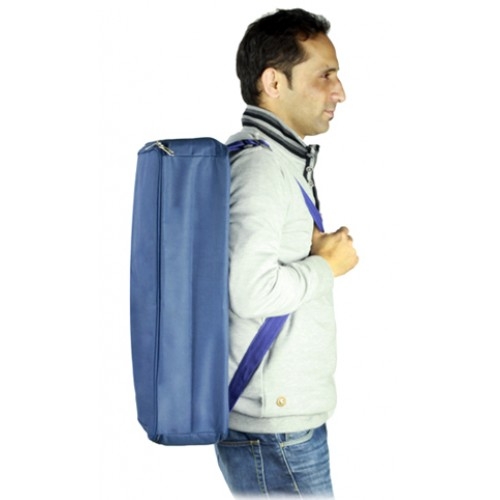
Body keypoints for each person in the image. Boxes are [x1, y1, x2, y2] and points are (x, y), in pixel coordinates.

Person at [215, 8, 359, 498]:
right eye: (325, 75)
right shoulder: (261, 167)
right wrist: (327, 266)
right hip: (275, 431)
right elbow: (251, 291)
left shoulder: (278, 158)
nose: (339, 92)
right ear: (274, 82)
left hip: (280, 423)